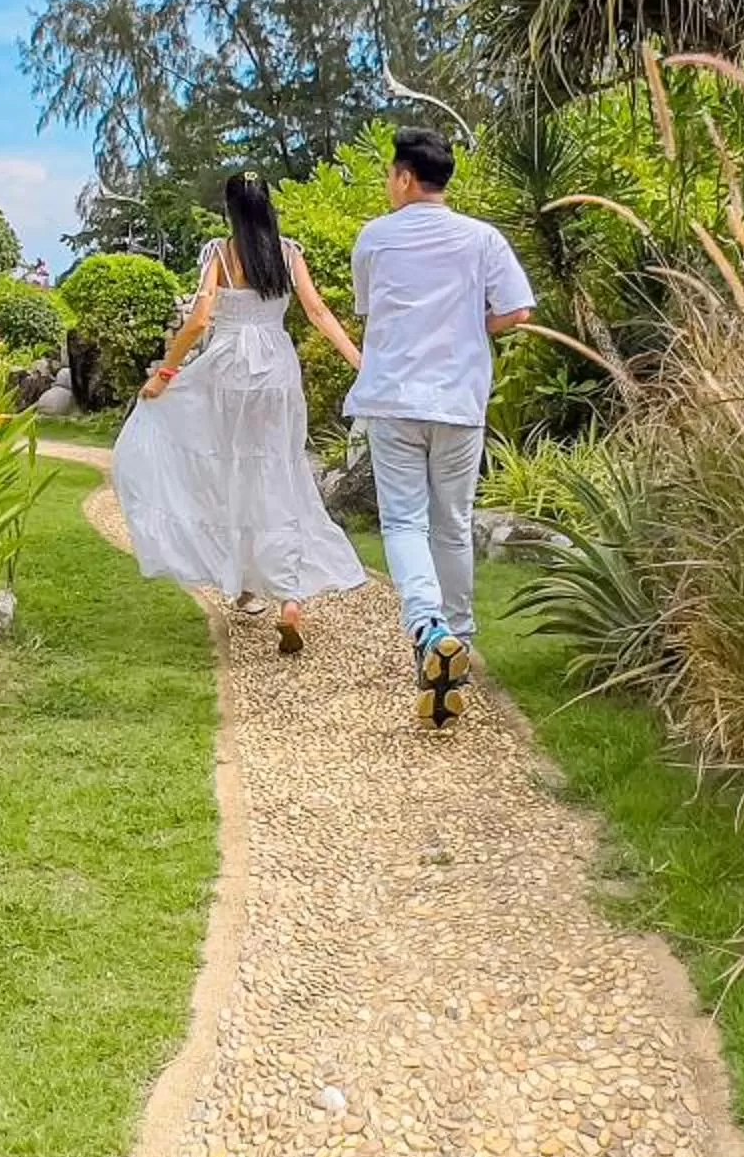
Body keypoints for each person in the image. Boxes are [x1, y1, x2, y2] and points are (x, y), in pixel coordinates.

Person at [111, 170, 367, 652]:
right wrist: (358, 360)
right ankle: (286, 594)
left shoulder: (218, 253)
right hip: (276, 372)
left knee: (229, 471)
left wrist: (164, 375)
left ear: (230, 209)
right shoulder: (288, 253)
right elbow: (317, 311)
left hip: (227, 371)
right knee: (278, 471)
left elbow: (201, 318)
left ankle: (248, 586)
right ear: (268, 204)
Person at [344, 127, 535, 726]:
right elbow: (518, 310)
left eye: (388, 176)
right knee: (452, 524)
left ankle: (427, 629)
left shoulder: (374, 239)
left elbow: (371, 309)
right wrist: (475, 326)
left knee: (403, 520)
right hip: (459, 402)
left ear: (404, 177)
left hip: (395, 400)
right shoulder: (483, 239)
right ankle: (459, 636)